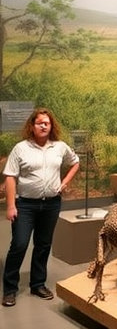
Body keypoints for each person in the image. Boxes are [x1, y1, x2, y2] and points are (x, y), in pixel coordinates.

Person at [3, 108, 80, 307]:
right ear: (32, 126)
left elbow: (75, 162)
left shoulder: (60, 147)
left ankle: (37, 284)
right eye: (39, 123)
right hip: (25, 205)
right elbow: (10, 176)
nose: (43, 126)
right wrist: (11, 206)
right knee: (19, 244)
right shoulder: (21, 148)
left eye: (47, 123)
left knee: (43, 244)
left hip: (51, 204)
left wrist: (65, 183)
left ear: (51, 126)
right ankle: (10, 289)